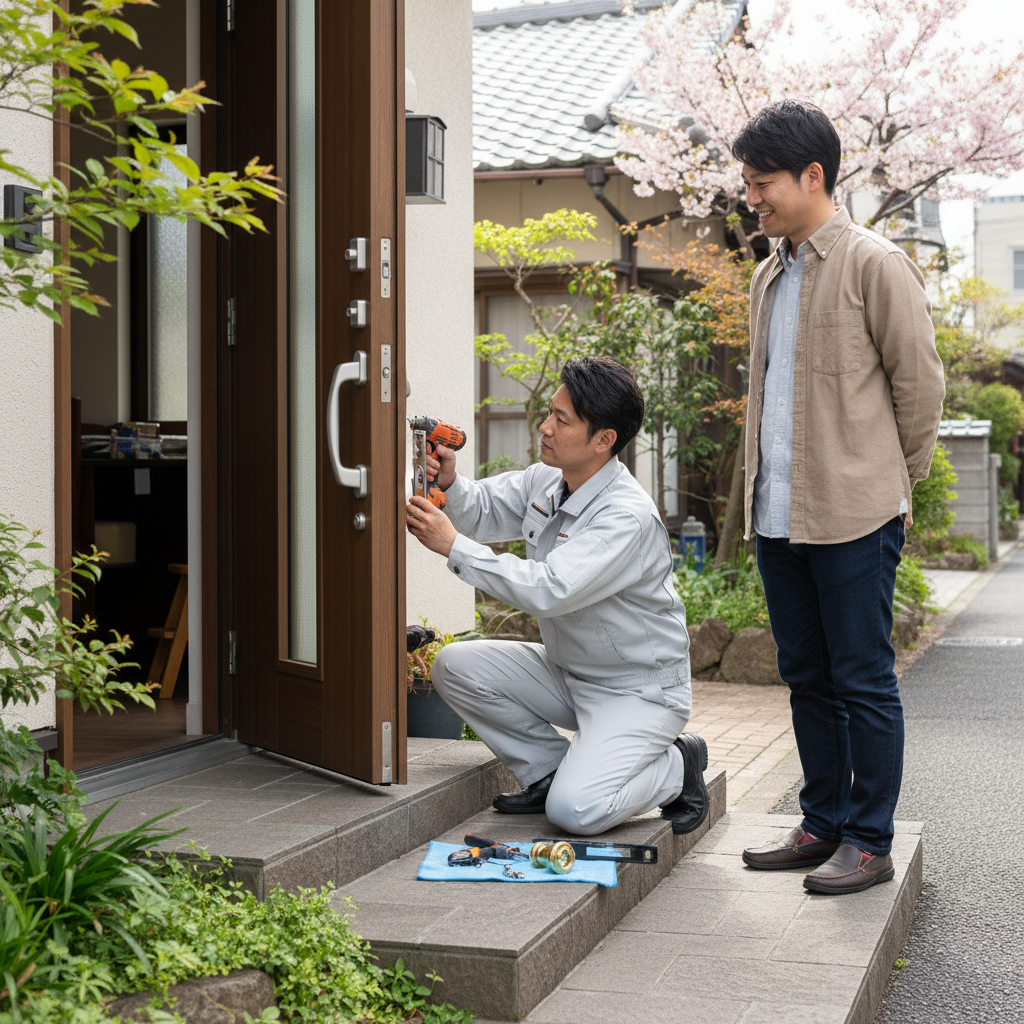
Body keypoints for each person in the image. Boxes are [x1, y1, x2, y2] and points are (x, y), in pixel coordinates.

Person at [733, 101, 945, 894]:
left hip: (855, 513)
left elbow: (920, 387)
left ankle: (869, 838)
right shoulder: (768, 273)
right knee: (805, 676)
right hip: (777, 513)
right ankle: (821, 823)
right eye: (748, 183)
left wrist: (894, 484)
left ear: (812, 176)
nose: (752, 198)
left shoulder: (873, 263)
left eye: (763, 183)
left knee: (862, 678)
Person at [404, 356, 708, 837]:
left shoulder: (625, 517)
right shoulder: (547, 479)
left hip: (637, 693)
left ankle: (678, 768)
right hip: (572, 673)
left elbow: (550, 589)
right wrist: (449, 483)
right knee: (454, 666)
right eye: (550, 412)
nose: (544, 427)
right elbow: (481, 510)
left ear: (604, 440)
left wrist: (451, 545)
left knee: (576, 813)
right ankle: (549, 772)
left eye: (561, 420)